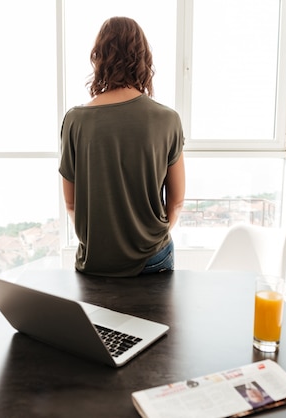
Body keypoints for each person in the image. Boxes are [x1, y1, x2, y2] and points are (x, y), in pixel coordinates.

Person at [59, 16, 185, 277]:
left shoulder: (74, 120)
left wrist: (104, 247)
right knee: (155, 320)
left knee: (95, 320)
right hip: (152, 256)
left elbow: (71, 204)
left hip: (95, 261)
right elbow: (176, 202)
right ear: (143, 58)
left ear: (99, 57)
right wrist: (149, 242)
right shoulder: (167, 119)